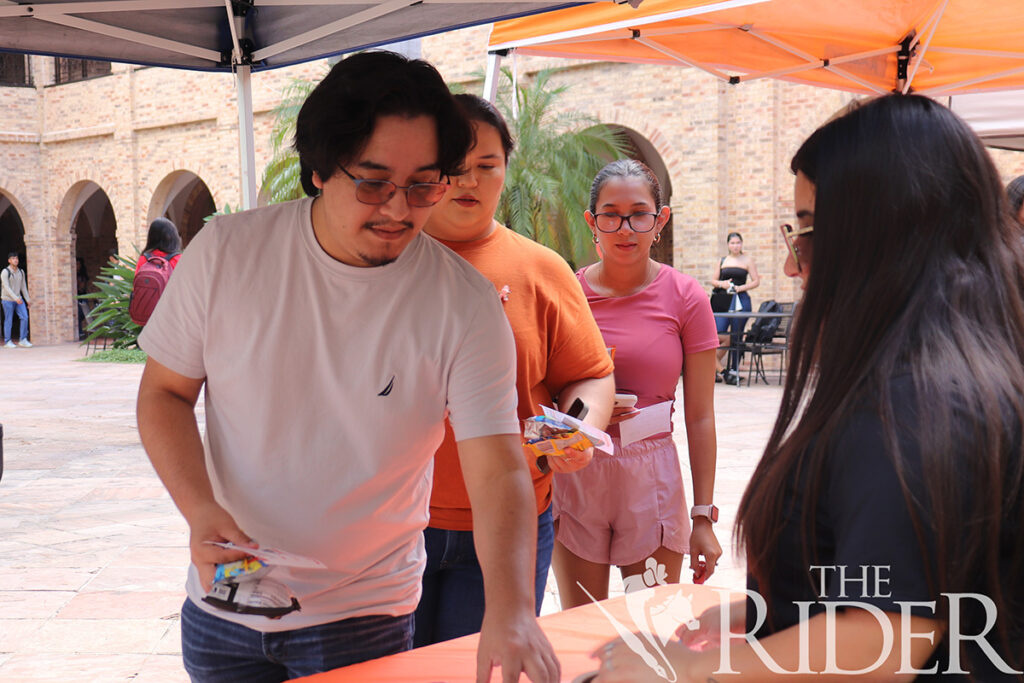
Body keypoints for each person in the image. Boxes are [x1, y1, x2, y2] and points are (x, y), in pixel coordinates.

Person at [135, 52, 559, 683]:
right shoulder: (227, 254)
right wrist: (200, 509)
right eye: (373, 181)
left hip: (365, 612)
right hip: (224, 603)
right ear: (318, 170)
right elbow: (164, 394)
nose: (398, 209)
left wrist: (514, 608)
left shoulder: (463, 304)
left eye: (424, 184)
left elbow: (498, 465)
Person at [593, 95, 1024, 680]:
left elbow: (881, 639)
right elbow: (902, 581)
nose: (794, 268)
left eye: (807, 234)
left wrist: (685, 672)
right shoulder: (944, 378)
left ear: (883, 231)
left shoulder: (915, 406)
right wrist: (761, 614)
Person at [414, 95, 615, 646]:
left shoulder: (539, 269)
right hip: (395, 526)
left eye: (487, 165)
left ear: (507, 167)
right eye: (452, 168)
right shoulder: (385, 264)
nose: (469, 181)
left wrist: (579, 429)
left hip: (509, 525)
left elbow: (591, 375)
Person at [552, 159, 723, 611]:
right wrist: (585, 409)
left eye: (639, 213)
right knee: (581, 629)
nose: (625, 228)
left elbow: (701, 415)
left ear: (660, 219)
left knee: (646, 634)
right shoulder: (566, 293)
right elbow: (540, 387)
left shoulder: (686, 297)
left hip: (651, 478)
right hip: (578, 473)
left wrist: (703, 517)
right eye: (611, 214)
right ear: (593, 222)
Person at [709, 232, 760, 385]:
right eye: (732, 243)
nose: (735, 245)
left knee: (736, 336)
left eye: (738, 243)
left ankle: (733, 370)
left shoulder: (747, 260)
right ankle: (716, 368)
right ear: (728, 245)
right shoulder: (723, 260)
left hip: (741, 299)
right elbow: (713, 280)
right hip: (723, 300)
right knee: (719, 335)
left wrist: (741, 288)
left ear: (742, 244)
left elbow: (756, 281)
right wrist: (721, 284)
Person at [2, 252, 31, 348]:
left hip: (19, 299)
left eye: (17, 258)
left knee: (25, 317)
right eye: (13, 258)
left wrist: (28, 300)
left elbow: (23, 287)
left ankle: (23, 339)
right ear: (9, 260)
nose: (16, 260)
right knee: (8, 320)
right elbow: (6, 287)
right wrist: (15, 298)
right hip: (7, 300)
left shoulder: (21, 272)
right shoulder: (5, 272)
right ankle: (7, 341)